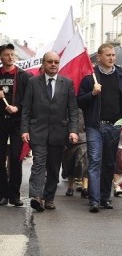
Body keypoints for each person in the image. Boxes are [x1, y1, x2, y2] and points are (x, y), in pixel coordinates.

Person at [77, 43, 122, 213]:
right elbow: (79, 101)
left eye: (113, 55)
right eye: (107, 55)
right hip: (95, 125)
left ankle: (105, 197)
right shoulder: (89, 77)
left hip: (114, 126)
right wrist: (92, 93)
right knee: (94, 161)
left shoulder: (121, 76)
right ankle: (94, 200)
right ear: (99, 57)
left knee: (109, 162)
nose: (111, 58)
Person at [20, 52, 79, 211]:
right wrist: (24, 130)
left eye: (56, 62)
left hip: (59, 132)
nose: (53, 64)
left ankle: (49, 198)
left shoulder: (67, 83)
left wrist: (73, 130)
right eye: (50, 62)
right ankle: (37, 197)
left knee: (54, 167)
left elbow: (73, 110)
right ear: (44, 64)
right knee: (38, 164)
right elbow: (26, 109)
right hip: (37, 131)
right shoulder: (33, 82)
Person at [0, 42, 31, 207]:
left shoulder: (23, 76)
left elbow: (29, 98)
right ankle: (3, 194)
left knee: (15, 158)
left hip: (17, 122)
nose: (10, 57)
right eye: (6, 54)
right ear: (1, 57)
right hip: (1, 122)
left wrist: (17, 107)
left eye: (12, 54)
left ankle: (14, 195)